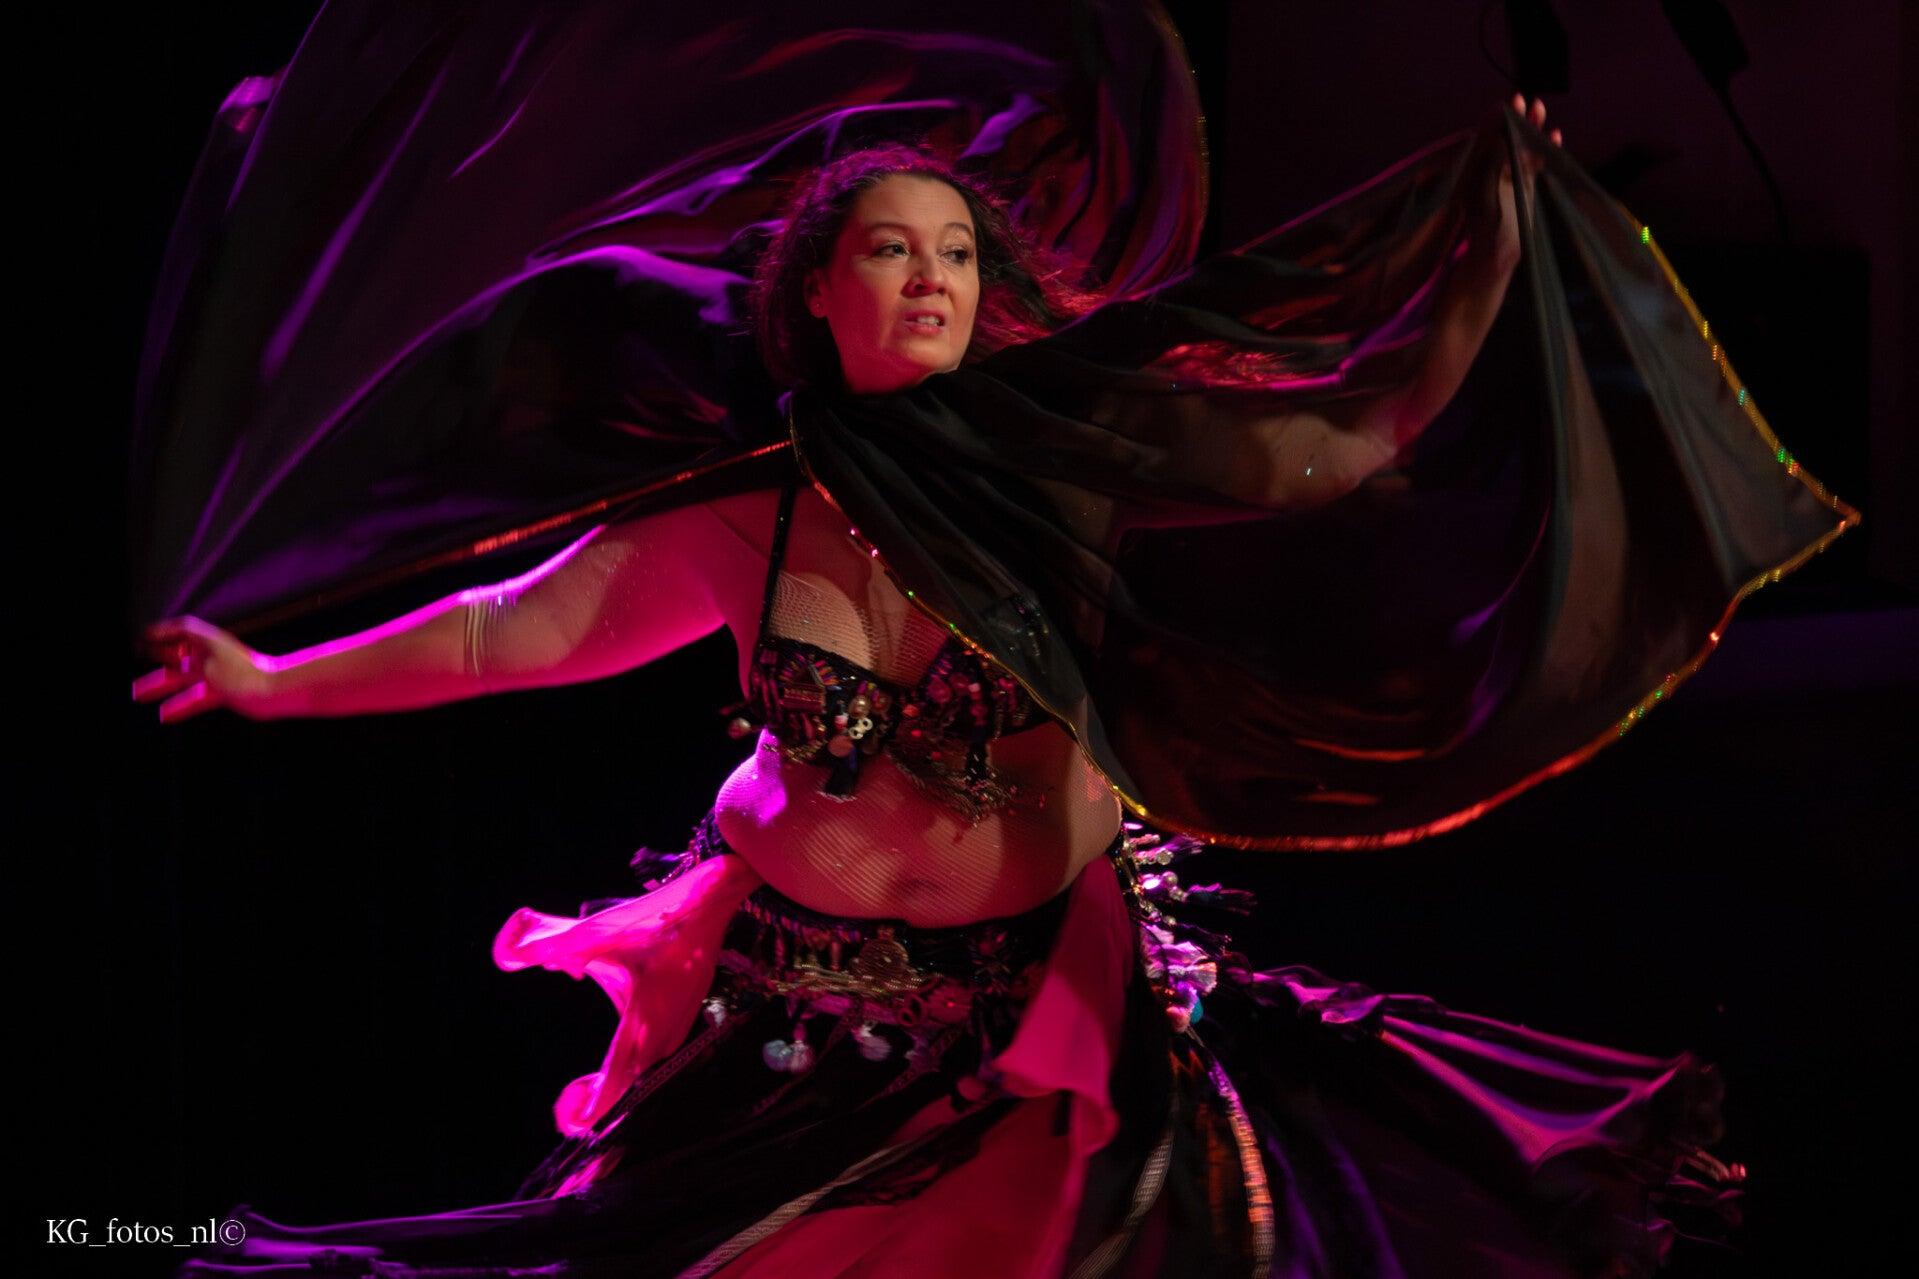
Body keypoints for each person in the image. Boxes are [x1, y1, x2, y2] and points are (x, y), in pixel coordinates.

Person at [135, 85, 1808, 1275]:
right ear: (817, 290)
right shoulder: (747, 511)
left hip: (1026, 1033)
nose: (929, 274)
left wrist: (1489, 263)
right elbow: (507, 630)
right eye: (888, 249)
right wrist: (276, 681)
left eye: (953, 250)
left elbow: (1338, 439)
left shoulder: (1069, 474)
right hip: (780, 1033)